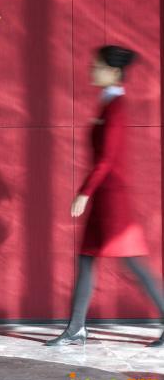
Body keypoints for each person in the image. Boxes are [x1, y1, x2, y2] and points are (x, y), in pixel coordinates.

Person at [45, 45, 164, 347]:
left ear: (113, 72)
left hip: (112, 201)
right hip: (105, 198)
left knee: (133, 263)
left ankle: (76, 328)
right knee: (87, 259)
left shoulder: (115, 108)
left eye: (97, 66)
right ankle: (76, 328)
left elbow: (107, 159)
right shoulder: (108, 103)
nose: (92, 70)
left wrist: (84, 193)